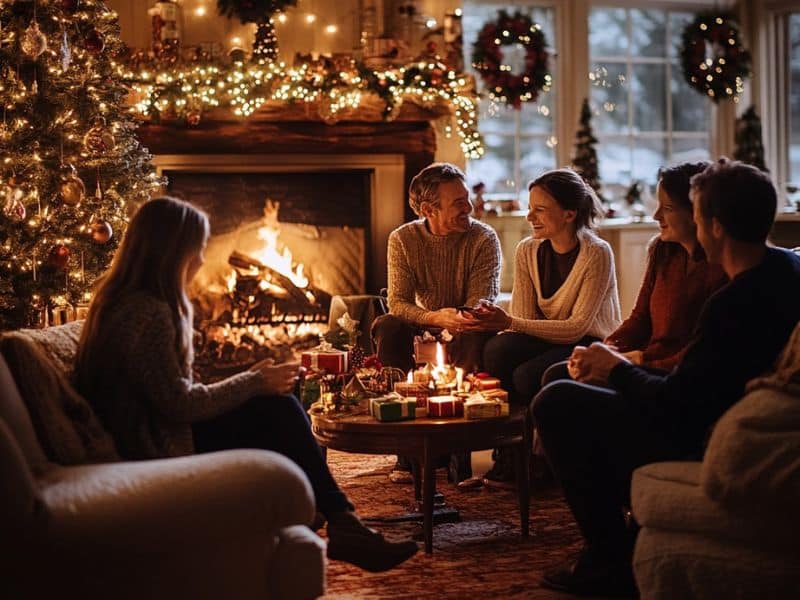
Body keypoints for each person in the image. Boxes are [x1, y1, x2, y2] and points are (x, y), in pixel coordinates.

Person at [74, 196, 418, 573]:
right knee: (279, 406)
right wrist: (253, 380)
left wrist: (253, 381)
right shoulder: (150, 312)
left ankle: (327, 514)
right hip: (156, 445)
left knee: (279, 400)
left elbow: (171, 393)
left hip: (153, 430)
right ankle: (339, 520)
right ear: (174, 252)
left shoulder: (122, 301)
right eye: (198, 249)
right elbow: (181, 404)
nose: (203, 260)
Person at [532, 158, 800, 597]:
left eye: (689, 212)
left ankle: (609, 559)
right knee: (564, 382)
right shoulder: (787, 270)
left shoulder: (731, 303)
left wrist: (616, 368)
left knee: (557, 401)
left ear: (713, 226)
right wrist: (610, 355)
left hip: (705, 434)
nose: (666, 219)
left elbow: (677, 404)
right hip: (715, 411)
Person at [470, 168, 621, 485]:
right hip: (548, 338)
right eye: (530, 207)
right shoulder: (528, 250)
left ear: (569, 214)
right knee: (496, 349)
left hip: (588, 341)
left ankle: (544, 458)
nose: (529, 216)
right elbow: (524, 318)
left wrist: (508, 319)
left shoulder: (597, 253)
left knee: (527, 374)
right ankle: (510, 454)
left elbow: (577, 328)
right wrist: (502, 320)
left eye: (540, 209)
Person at [371, 162, 502, 483]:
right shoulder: (403, 239)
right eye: (458, 202)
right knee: (388, 326)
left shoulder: (483, 238)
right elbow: (398, 303)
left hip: (466, 316)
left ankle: (460, 453)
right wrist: (433, 317)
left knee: (473, 332)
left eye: (467, 198)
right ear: (429, 209)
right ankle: (407, 451)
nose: (469, 207)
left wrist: (458, 317)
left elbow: (483, 300)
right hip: (426, 316)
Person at [541, 161, 727, 385]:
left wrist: (637, 360)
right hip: (639, 360)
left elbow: (702, 355)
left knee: (557, 389)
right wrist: (607, 349)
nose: (656, 216)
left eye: (667, 208)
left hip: (667, 372)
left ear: (695, 211)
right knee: (555, 374)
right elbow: (640, 318)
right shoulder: (662, 250)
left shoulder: (722, 267)